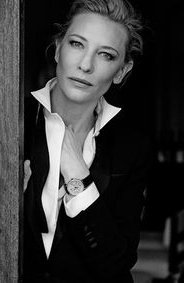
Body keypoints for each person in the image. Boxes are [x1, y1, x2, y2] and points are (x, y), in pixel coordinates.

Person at [23, 0, 152, 282]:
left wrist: (78, 177)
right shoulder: (9, 123)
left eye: (105, 55)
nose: (85, 65)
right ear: (58, 49)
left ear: (121, 71)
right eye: (77, 44)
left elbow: (118, 261)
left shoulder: (131, 148)